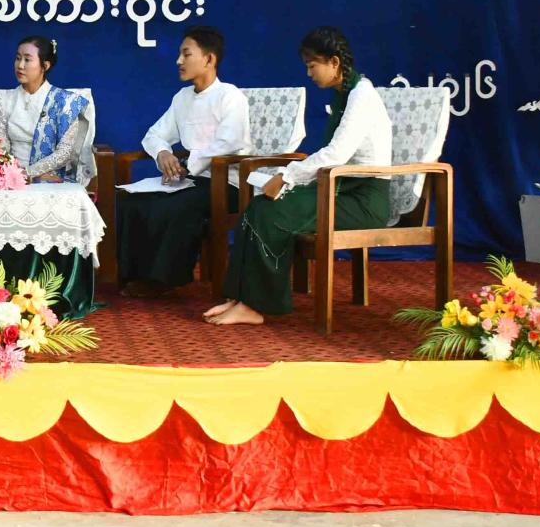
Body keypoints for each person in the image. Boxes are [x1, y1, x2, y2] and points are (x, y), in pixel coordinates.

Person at [207, 27, 392, 326]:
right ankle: (238, 297)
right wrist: (289, 178)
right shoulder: (345, 94)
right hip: (339, 188)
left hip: (363, 200)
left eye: (312, 65)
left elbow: (336, 154)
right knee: (258, 207)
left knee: (273, 213)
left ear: (334, 62)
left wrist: (287, 176)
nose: (308, 73)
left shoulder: (362, 96)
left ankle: (255, 305)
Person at [116, 26, 251, 297]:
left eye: (186, 54)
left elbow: (229, 143)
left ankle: (163, 279)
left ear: (209, 59)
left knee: (177, 205)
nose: (178, 61)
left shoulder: (230, 96)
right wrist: (163, 153)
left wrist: (188, 165)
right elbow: (154, 134)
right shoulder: (182, 98)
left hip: (228, 183)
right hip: (192, 180)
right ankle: (132, 275)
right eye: (180, 54)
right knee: (132, 200)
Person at [0, 35, 93, 185]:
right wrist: (16, 174)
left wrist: (29, 173)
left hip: (51, 177)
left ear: (45, 65)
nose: (20, 65)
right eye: (18, 58)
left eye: (27, 59)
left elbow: (65, 153)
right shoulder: (5, 100)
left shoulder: (65, 102)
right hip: (11, 178)